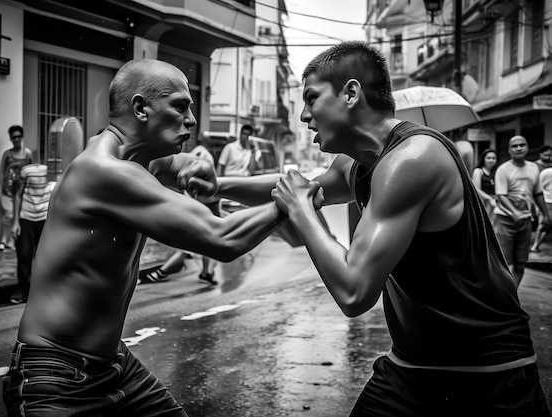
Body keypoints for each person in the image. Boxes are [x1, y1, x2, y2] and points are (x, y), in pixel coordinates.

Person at [217, 41, 551, 416]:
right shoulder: (357, 164)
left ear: (351, 93)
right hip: (410, 365)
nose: (304, 116)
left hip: (488, 372)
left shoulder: (412, 159)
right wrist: (217, 185)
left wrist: (301, 211)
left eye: (311, 99)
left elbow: (354, 291)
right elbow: (299, 184)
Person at [1, 59, 299, 416]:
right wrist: (294, 202)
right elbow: (222, 238)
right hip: (55, 377)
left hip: (112, 364)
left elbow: (180, 168)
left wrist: (198, 166)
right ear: (141, 108)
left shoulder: (137, 161)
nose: (191, 119)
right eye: (180, 106)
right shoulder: (104, 172)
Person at [139, 137, 220, 285]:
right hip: (198, 205)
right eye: (181, 111)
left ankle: (205, 272)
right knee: (196, 245)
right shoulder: (202, 155)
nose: (190, 120)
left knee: (202, 244)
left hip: (197, 204)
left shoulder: (156, 163)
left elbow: (178, 167)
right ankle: (163, 272)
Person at [493, 135, 549, 288]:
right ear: (509, 150)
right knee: (503, 262)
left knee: (520, 262)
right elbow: (501, 196)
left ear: (527, 147)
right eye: (514, 146)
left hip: (526, 219)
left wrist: (546, 214)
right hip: (505, 219)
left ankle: (512, 295)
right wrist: (514, 213)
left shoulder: (533, 168)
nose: (518, 148)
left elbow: (538, 194)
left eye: (522, 145)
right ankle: (500, 296)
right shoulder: (503, 169)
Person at [9, 164, 56, 304]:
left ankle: (42, 292)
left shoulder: (54, 172)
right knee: (24, 255)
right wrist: (15, 222)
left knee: (44, 257)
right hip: (26, 217)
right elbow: (18, 194)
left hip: (45, 219)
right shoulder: (26, 171)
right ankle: (23, 290)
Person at [0, 125, 33, 252]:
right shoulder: (7, 154)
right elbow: (2, 171)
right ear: (10, 138)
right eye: (14, 137)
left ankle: (12, 241)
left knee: (17, 216)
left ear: (22, 137)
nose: (16, 139)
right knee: (7, 215)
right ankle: (3, 240)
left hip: (21, 191)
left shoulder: (27, 153)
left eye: (19, 136)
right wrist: (2, 185)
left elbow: (30, 169)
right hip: (7, 190)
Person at [471, 148, 498, 220]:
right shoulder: (478, 171)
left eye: (493, 158)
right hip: (483, 203)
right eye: (488, 158)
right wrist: (489, 198)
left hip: (494, 204)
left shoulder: (496, 172)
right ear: (483, 159)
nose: (491, 160)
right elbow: (476, 189)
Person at [531, 164, 552, 253]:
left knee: (547, 224)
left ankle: (536, 245)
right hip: (547, 200)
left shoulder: (545, 172)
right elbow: (537, 189)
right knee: (545, 222)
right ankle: (535, 245)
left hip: (546, 200)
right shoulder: (546, 172)